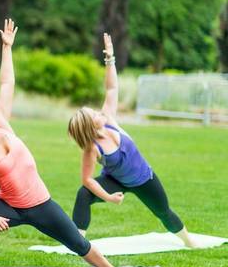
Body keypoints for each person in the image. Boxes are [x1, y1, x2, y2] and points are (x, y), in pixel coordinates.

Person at [0, 19, 116, 267]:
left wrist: (7, 48)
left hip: (41, 205)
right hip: (11, 209)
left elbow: (7, 84)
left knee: (78, 244)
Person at [67, 33, 197, 248]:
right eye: (95, 115)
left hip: (143, 178)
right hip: (115, 180)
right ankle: (77, 242)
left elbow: (111, 88)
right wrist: (109, 198)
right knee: (84, 195)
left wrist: (110, 59)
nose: (100, 113)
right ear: (91, 126)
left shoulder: (109, 120)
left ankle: (188, 241)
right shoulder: (92, 149)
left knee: (163, 212)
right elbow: (87, 180)